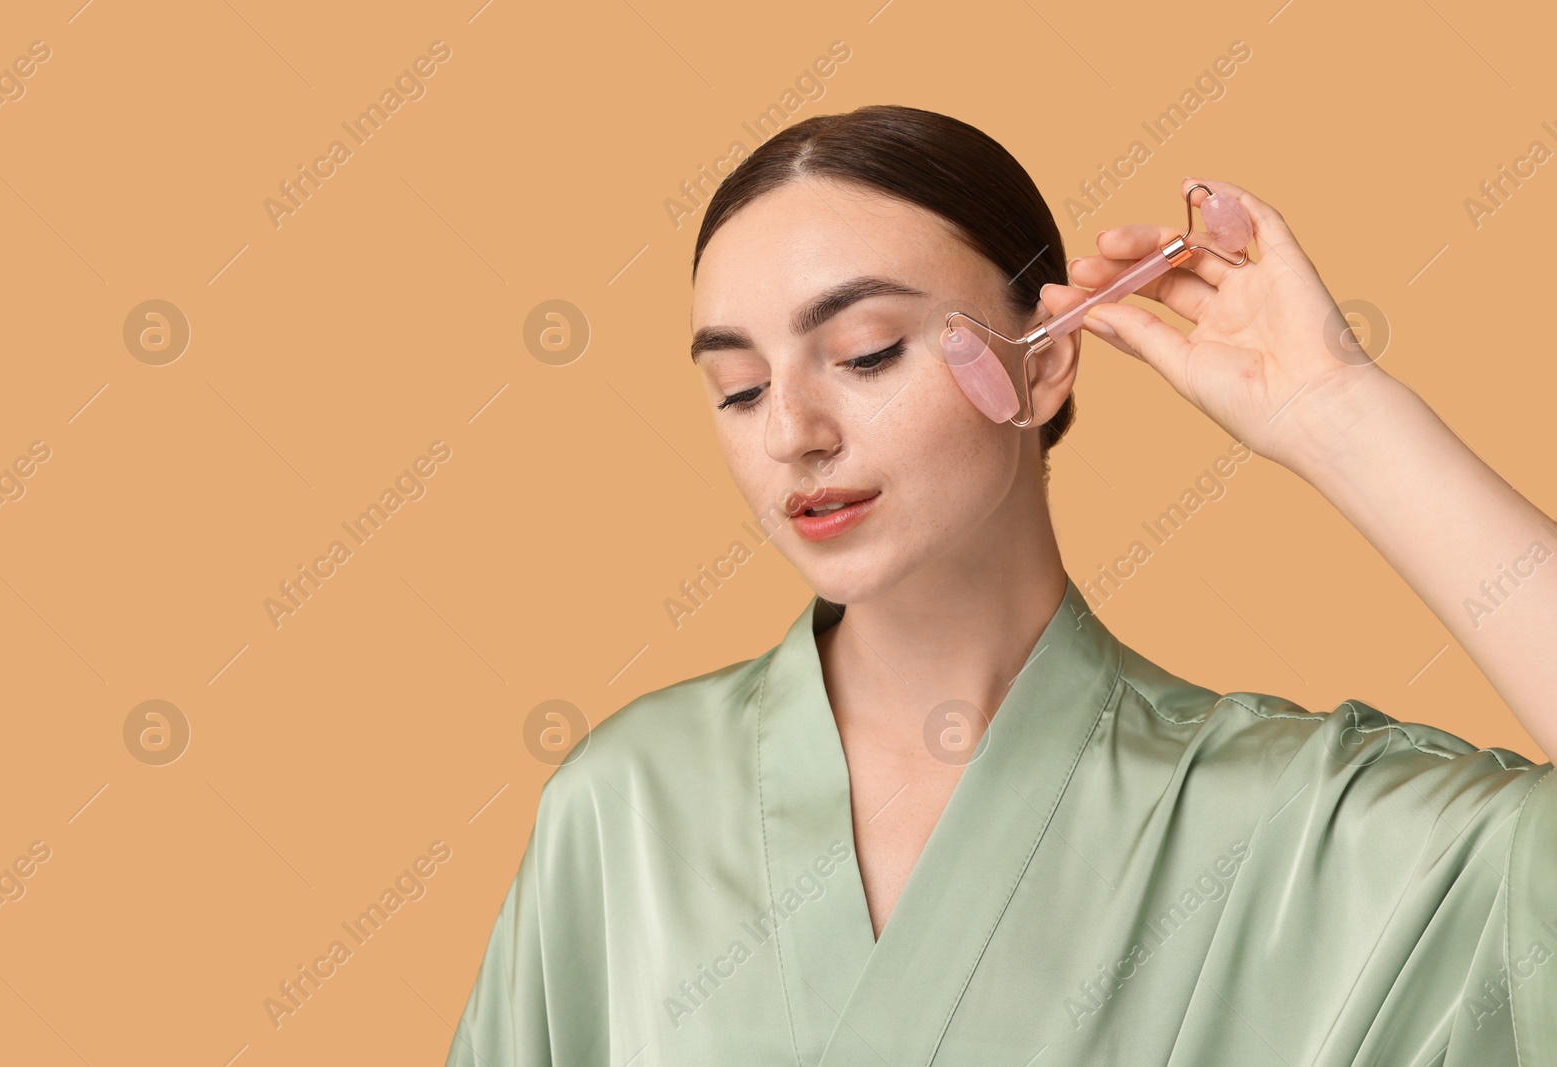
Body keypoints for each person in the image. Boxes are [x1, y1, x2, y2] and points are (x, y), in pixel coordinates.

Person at [444, 104, 1557, 1066]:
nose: (791, 431)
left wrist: (1338, 415)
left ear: (1049, 354)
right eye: (735, 388)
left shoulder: (1283, 826)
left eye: (868, 350)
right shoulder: (627, 804)